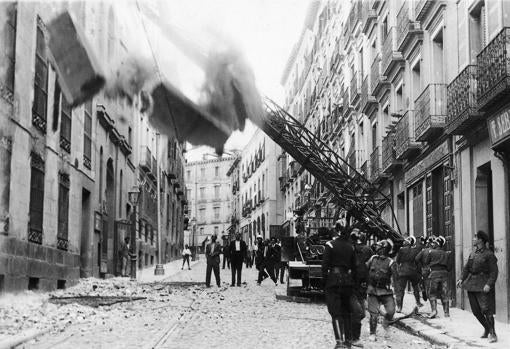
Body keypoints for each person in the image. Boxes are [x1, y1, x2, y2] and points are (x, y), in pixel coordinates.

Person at [457, 230, 498, 343]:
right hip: (471, 284)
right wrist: (461, 279)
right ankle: (487, 329)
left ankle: (493, 333)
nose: (473, 239)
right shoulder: (473, 253)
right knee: (476, 311)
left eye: (475, 237)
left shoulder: (489, 254)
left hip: (483, 285)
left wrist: (489, 284)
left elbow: (494, 272)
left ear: (481, 240)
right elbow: (466, 268)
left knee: (486, 309)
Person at [322, 222, 359, 348]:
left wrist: (325, 282)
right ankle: (348, 341)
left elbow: (324, 267)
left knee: (335, 313)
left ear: (337, 230)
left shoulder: (330, 245)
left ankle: (339, 342)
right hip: (347, 282)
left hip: (333, 281)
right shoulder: (351, 247)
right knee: (347, 311)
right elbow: (354, 268)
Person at [366, 239, 398, 342]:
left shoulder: (391, 262)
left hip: (386, 291)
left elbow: (396, 278)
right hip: (373, 290)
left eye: (379, 245)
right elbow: (364, 269)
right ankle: (372, 333)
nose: (377, 247)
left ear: (384, 249)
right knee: (373, 314)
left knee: (391, 311)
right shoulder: (373, 258)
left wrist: (396, 292)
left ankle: (386, 322)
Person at [350, 228, 373, 343]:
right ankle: (354, 337)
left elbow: (370, 266)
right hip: (351, 285)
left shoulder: (366, 250)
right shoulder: (350, 249)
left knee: (362, 313)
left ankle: (351, 331)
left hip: (361, 285)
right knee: (358, 312)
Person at [424, 236, 451, 318]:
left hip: (434, 274)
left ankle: (434, 311)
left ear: (437, 243)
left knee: (432, 293)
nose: (433, 244)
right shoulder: (446, 254)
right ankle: (446, 313)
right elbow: (449, 267)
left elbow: (426, 262)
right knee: (445, 293)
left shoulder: (431, 252)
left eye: (434, 243)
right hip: (444, 274)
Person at [395, 236, 422, 313]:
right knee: (415, 287)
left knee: (401, 290)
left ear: (409, 242)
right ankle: (418, 302)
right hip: (413, 271)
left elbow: (397, 261)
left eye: (406, 241)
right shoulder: (415, 250)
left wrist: (398, 270)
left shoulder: (401, 250)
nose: (404, 242)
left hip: (403, 271)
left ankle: (399, 307)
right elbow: (417, 261)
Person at [415, 236, 434, 302]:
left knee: (425, 282)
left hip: (424, 268)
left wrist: (421, 264)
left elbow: (416, 259)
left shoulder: (423, 250)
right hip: (434, 269)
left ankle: (424, 290)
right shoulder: (436, 250)